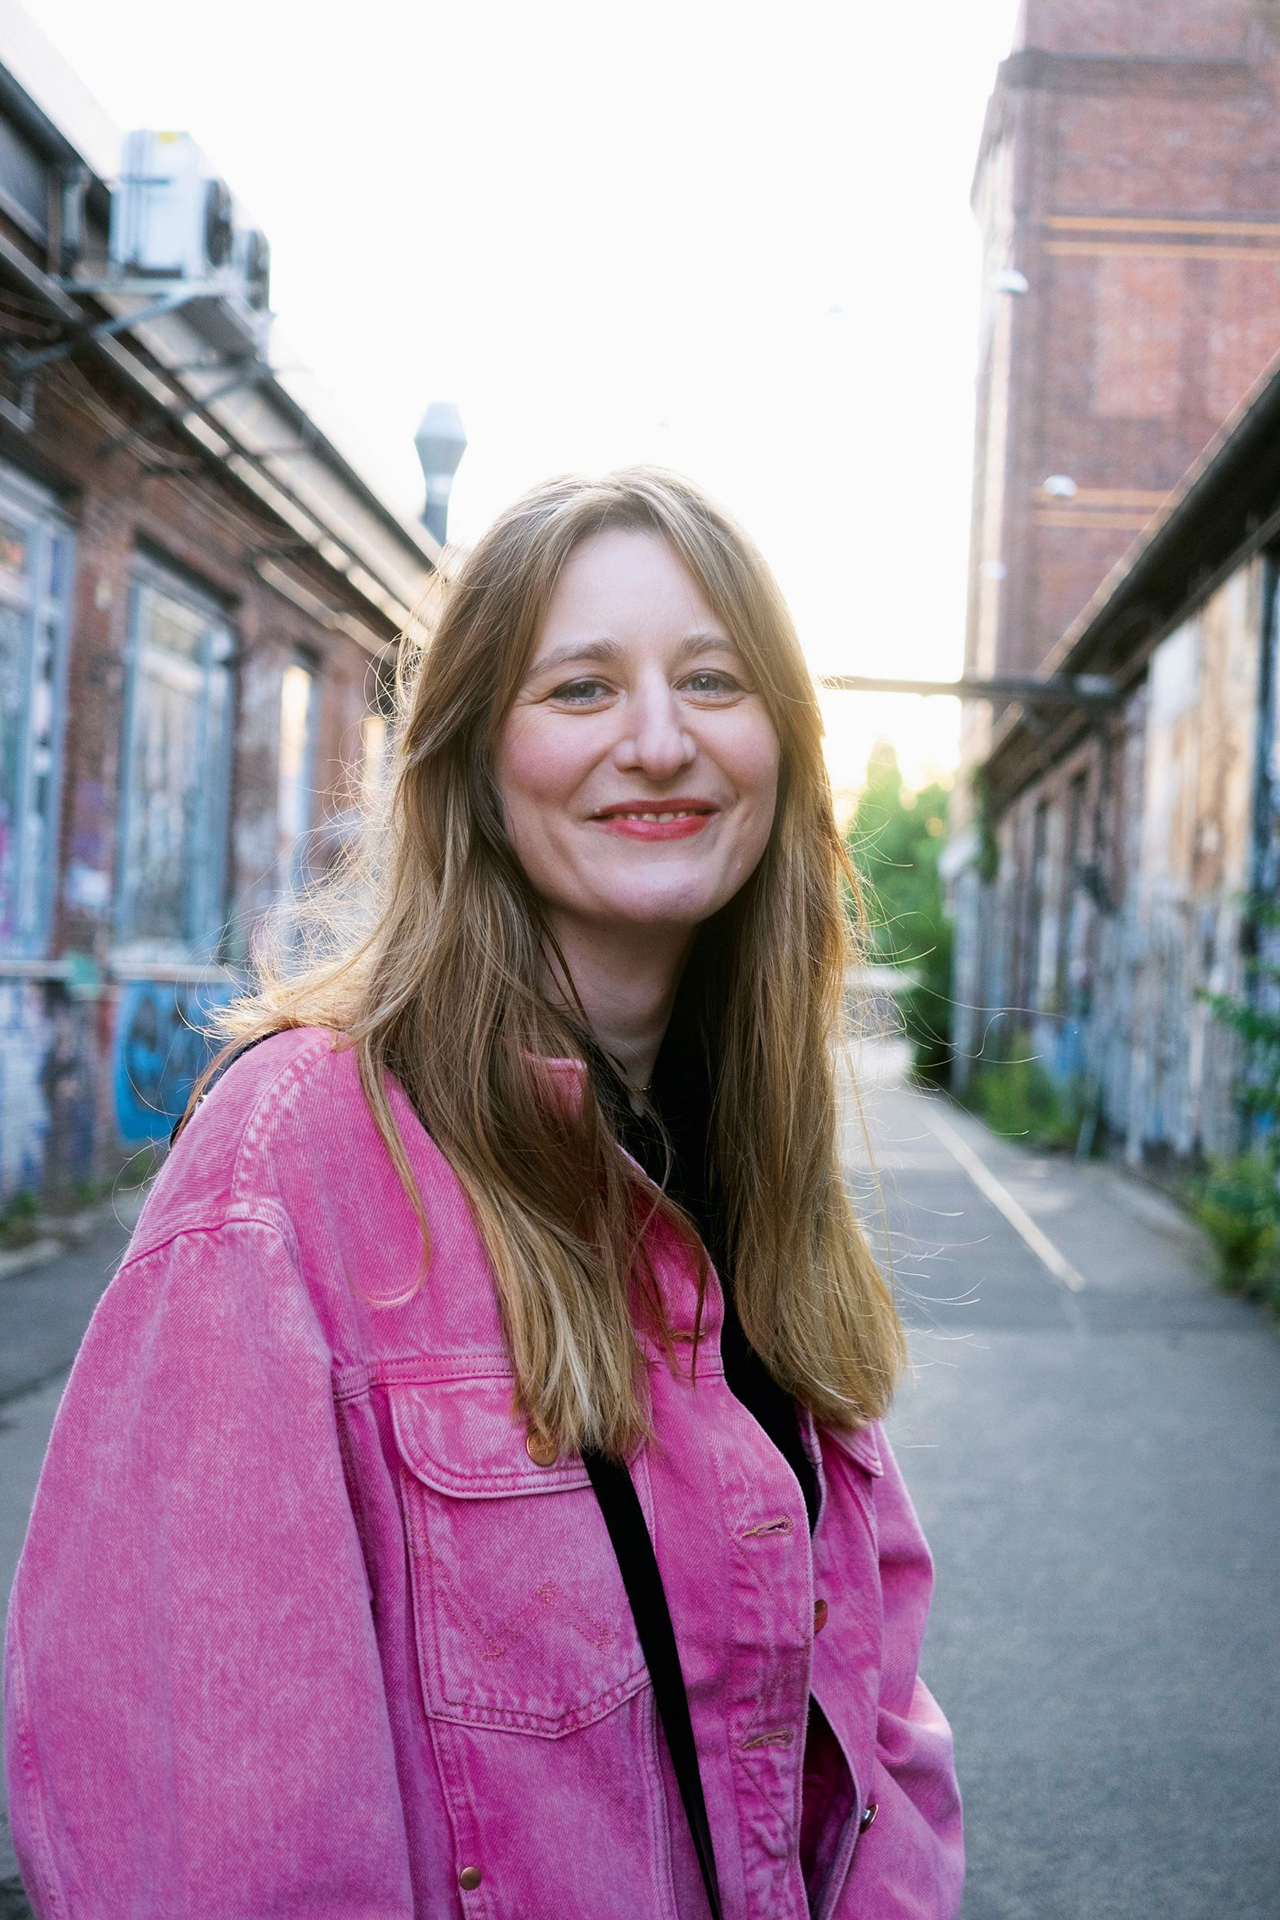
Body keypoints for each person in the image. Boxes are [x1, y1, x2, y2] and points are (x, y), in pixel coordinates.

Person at [4, 468, 963, 1919]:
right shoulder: (290, 1166)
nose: (660, 741)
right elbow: (217, 1843)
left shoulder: (745, 1164)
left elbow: (877, 1729)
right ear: (472, 761)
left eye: (713, 680)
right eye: (581, 687)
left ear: (783, 745)